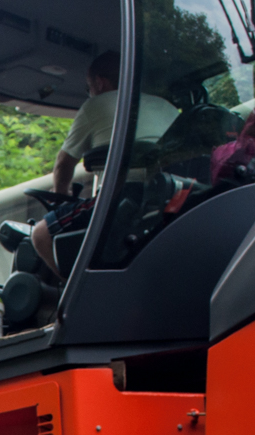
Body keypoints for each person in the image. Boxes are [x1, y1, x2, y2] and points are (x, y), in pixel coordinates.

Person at [30, 50, 179, 279]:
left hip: (125, 197)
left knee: (40, 234)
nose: (90, 93)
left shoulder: (96, 105)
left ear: (99, 83)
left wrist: (61, 195)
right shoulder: (166, 106)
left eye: (88, 87)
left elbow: (64, 163)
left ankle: (73, 298)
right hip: (173, 193)